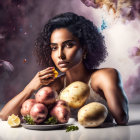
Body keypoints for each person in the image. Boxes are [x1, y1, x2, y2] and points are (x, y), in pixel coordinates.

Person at [0, 12, 129, 125]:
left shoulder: (104, 76)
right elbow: (5, 116)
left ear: (84, 48)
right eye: (54, 48)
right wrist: (31, 87)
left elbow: (121, 119)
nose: (60, 55)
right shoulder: (55, 85)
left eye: (68, 45)